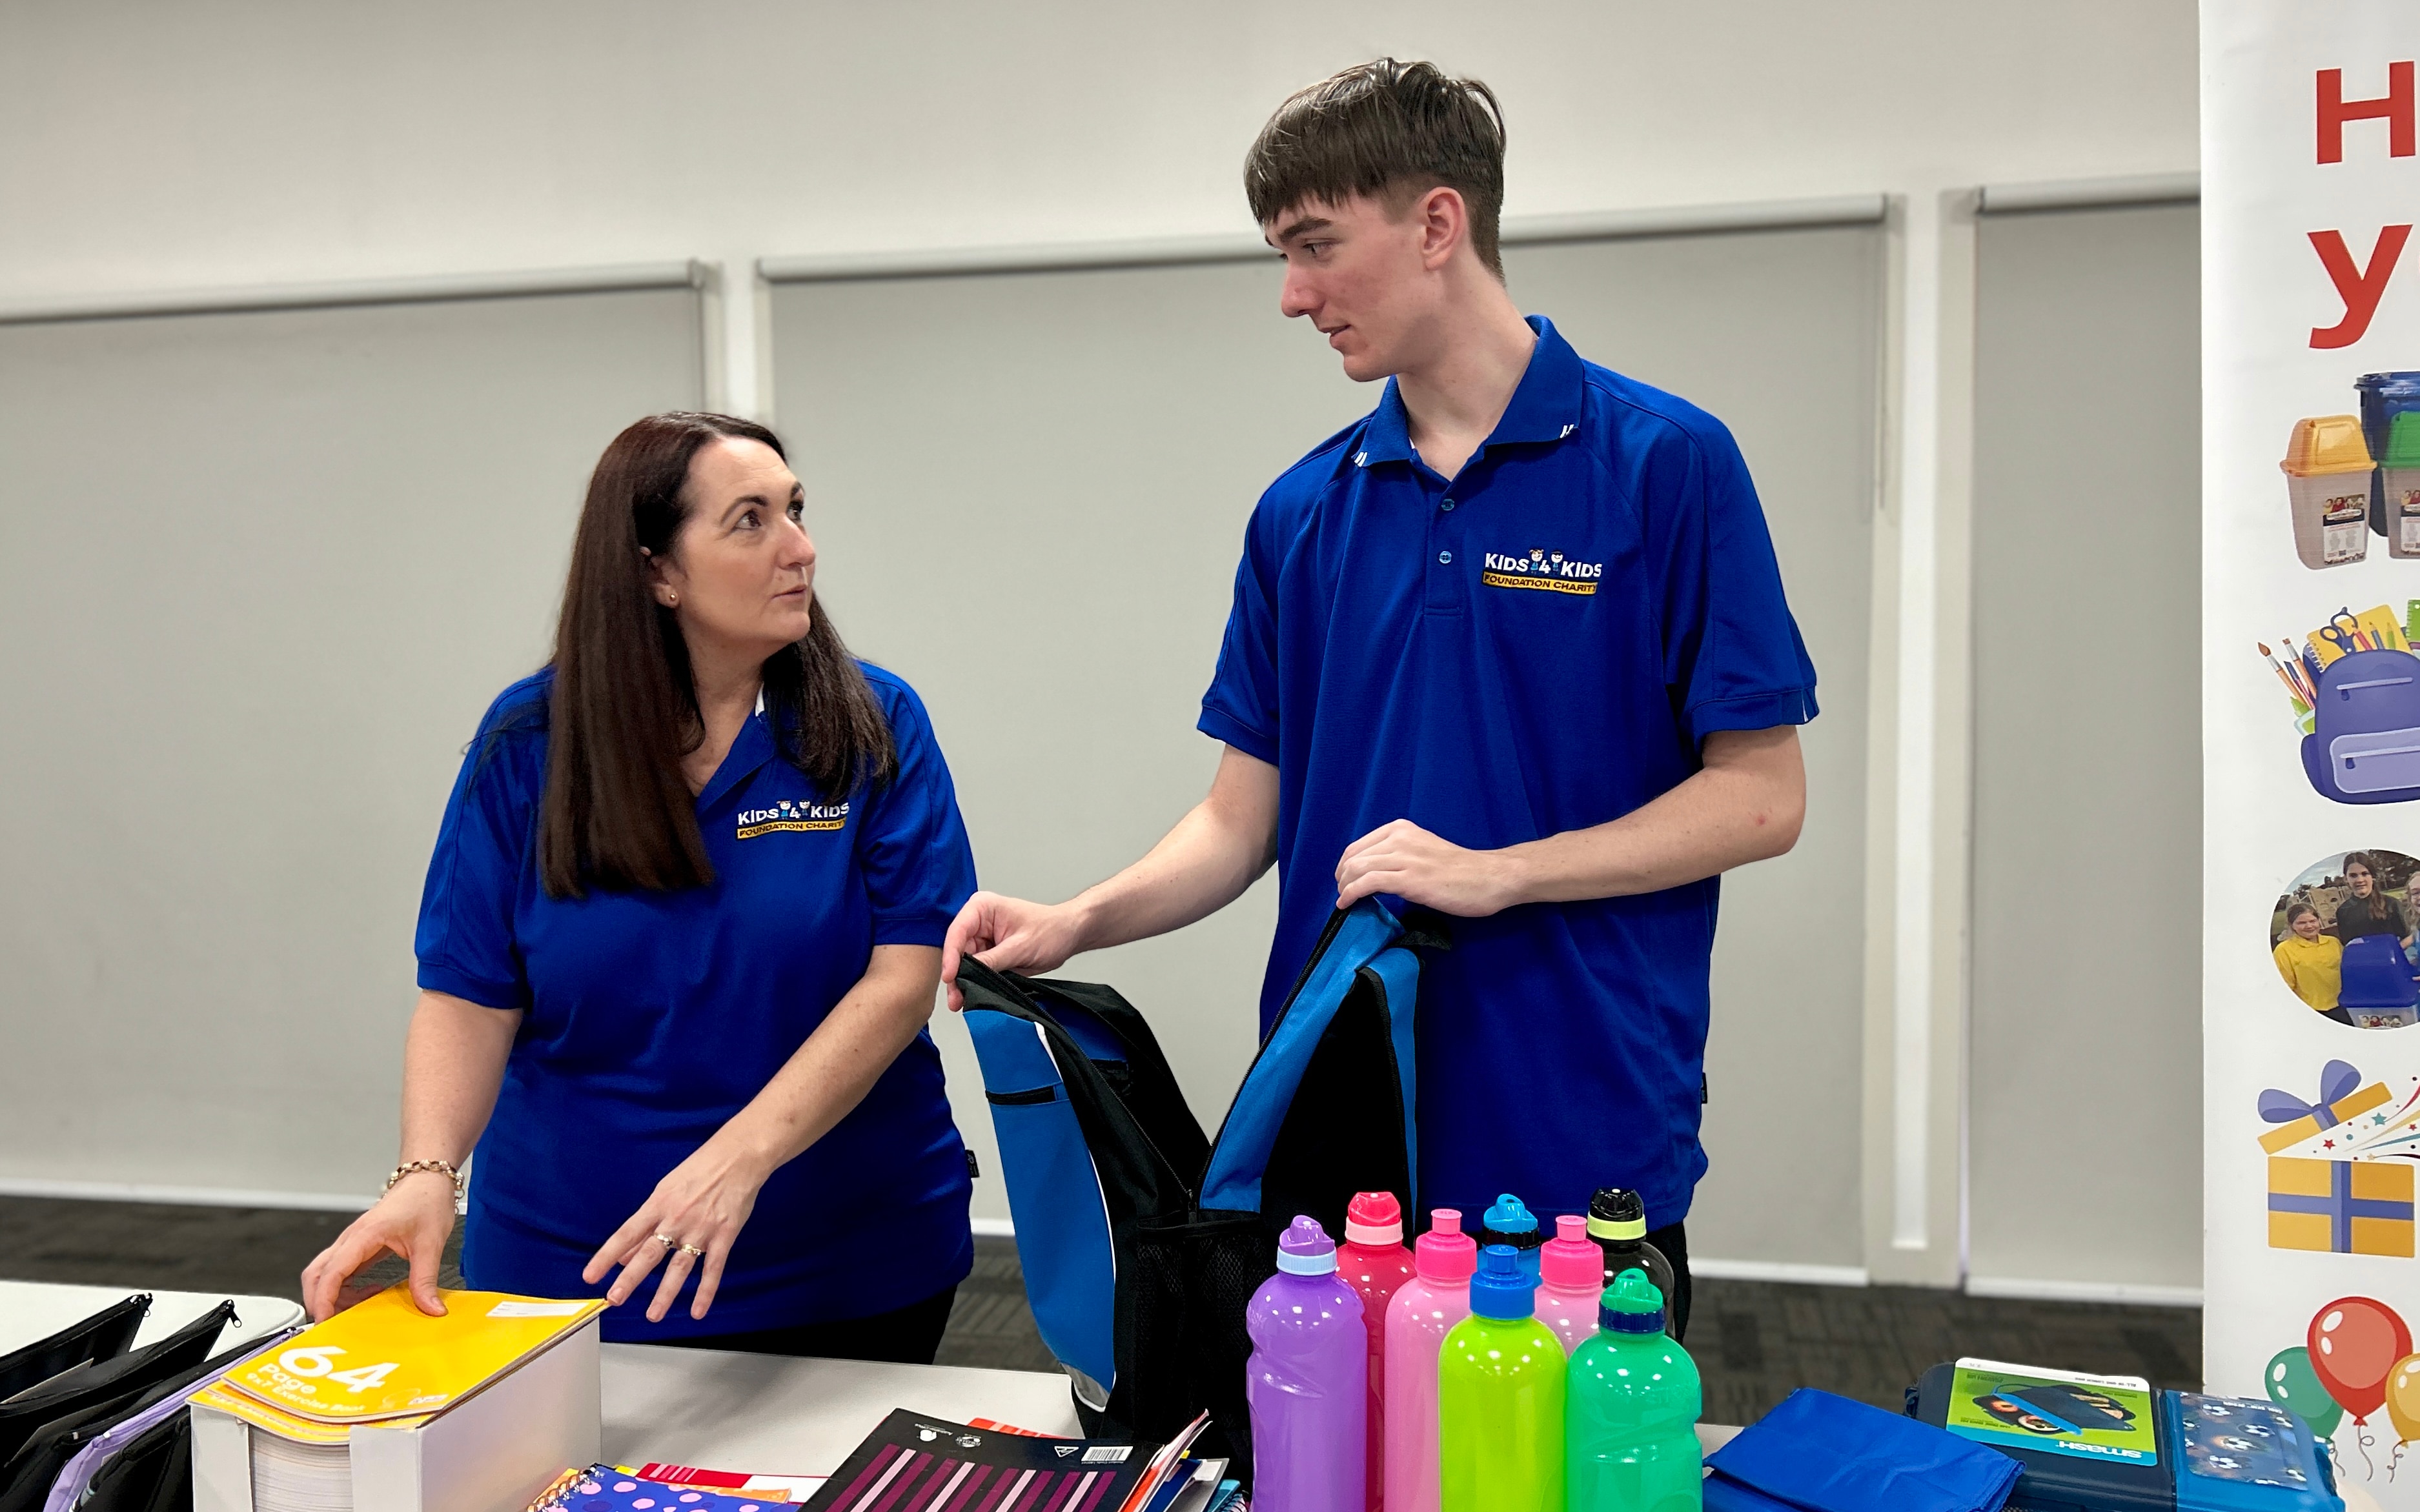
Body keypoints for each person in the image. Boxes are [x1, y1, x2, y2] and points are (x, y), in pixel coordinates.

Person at [941, 61, 1815, 1340]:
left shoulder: (1664, 466)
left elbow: (1759, 799)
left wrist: (1502, 871)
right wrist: (1077, 920)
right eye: (1279, 256)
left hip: (1574, 1128)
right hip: (1346, 1133)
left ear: (1435, 224)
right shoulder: (1300, 514)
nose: (1291, 296)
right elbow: (1241, 824)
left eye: (1312, 247)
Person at [301, 412, 979, 1359]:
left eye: (795, 509)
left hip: (846, 1259)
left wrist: (737, 1162)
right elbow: (469, 992)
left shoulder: (872, 722)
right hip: (573, 1264)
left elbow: (905, 978)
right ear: (656, 571)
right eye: (751, 520)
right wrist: (424, 1173)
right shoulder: (530, 745)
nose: (801, 547)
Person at [2273, 902, 2346, 1022]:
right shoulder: (2284, 950)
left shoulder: (2333, 942)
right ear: (2292, 926)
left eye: (2313, 921)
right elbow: (2285, 988)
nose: (2309, 926)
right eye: (2302, 923)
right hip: (2312, 1012)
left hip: (2342, 1006)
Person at [2332, 852, 2410, 944]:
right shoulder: (2343, 911)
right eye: (2353, 875)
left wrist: (2393, 951)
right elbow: (2348, 945)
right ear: (2346, 879)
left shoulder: (2392, 904)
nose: (2360, 880)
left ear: (2373, 876)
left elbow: (2409, 937)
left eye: (2365, 874)